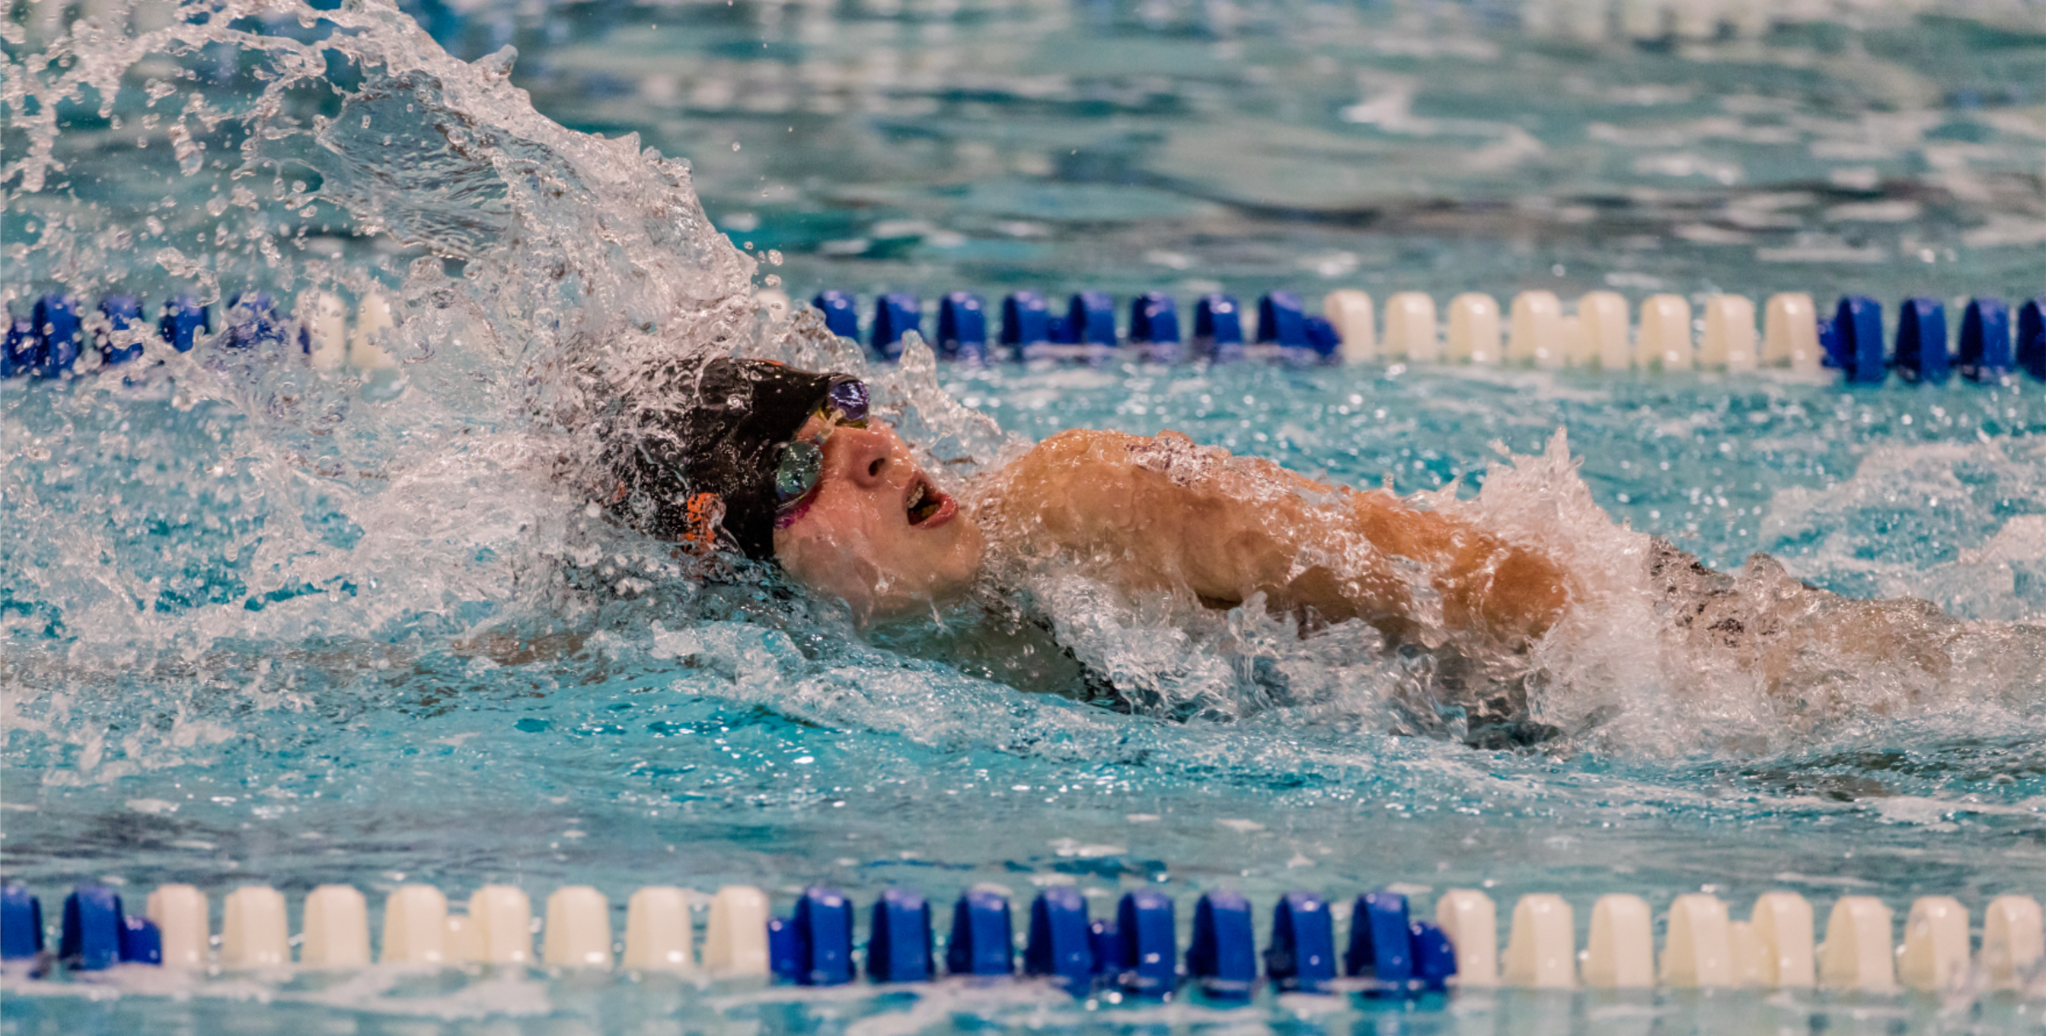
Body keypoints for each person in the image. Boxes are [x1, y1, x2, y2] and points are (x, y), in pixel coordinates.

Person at [599, 356, 1569, 709]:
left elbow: (1488, 590)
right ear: (742, 559)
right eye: (809, 465)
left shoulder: (1101, 505)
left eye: (850, 413)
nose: (880, 446)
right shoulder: (747, 664)